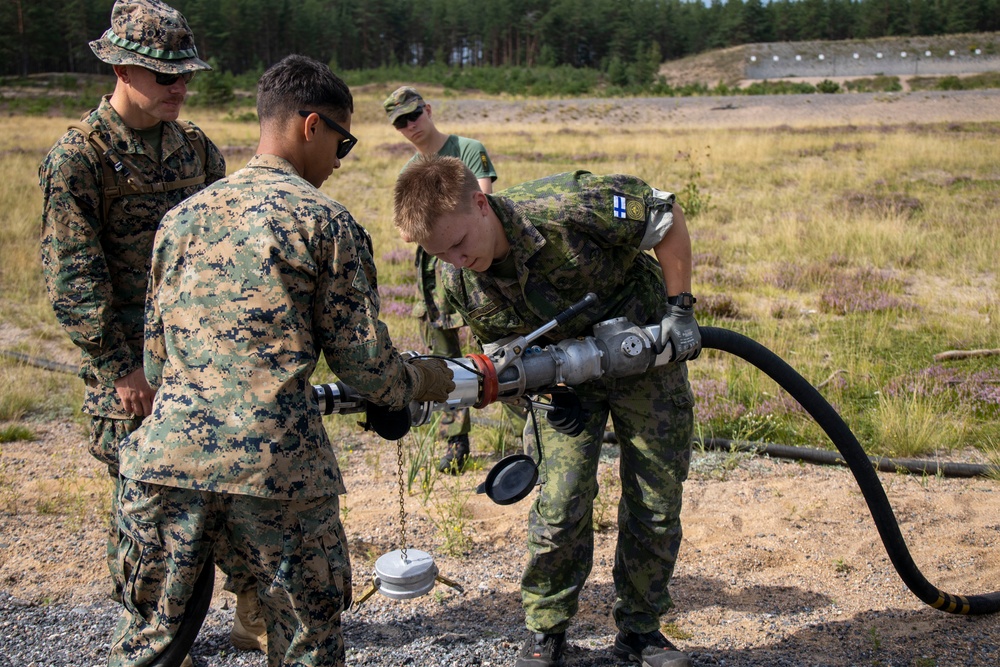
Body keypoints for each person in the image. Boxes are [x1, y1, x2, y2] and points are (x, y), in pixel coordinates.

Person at [109, 55, 455, 666]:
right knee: (304, 646)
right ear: (311, 126)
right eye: (342, 143)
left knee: (147, 648)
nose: (340, 161)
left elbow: (158, 365)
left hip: (163, 466)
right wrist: (421, 383)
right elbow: (366, 367)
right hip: (277, 476)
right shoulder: (325, 222)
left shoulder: (181, 219)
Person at [394, 155, 702, 667]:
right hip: (561, 385)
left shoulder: (572, 208)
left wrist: (679, 311)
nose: (456, 259)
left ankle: (642, 635)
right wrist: (541, 403)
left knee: (656, 496)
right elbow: (502, 359)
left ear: (481, 202)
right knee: (560, 504)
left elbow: (664, 216)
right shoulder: (458, 281)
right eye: (440, 253)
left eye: (459, 243)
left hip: (645, 353)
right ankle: (547, 635)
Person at [37, 0, 265, 657]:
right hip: (134, 376)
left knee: (236, 488)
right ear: (123, 67)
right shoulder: (80, 159)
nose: (181, 88)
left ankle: (257, 614)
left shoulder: (194, 149)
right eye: (168, 77)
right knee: (155, 519)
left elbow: (229, 248)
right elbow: (73, 280)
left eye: (186, 76)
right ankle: (152, 642)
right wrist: (120, 369)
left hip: (205, 364)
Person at [383, 86, 498, 474]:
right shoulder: (408, 171)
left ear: (428, 110)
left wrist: (429, 218)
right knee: (443, 360)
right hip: (433, 275)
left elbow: (482, 199)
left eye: (413, 115)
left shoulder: (467, 149)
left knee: (500, 349)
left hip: (473, 264)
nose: (410, 125)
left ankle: (526, 433)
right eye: (400, 122)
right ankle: (455, 441)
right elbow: (405, 230)